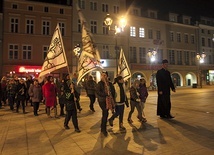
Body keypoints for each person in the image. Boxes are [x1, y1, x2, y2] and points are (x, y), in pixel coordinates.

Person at [96, 71, 115, 137]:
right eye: (102, 75)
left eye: (105, 75)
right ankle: (103, 129)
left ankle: (102, 127)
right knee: (105, 113)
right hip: (102, 101)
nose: (103, 77)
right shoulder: (100, 83)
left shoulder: (109, 83)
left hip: (109, 100)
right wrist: (106, 94)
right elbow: (98, 92)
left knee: (105, 114)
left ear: (107, 76)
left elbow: (113, 91)